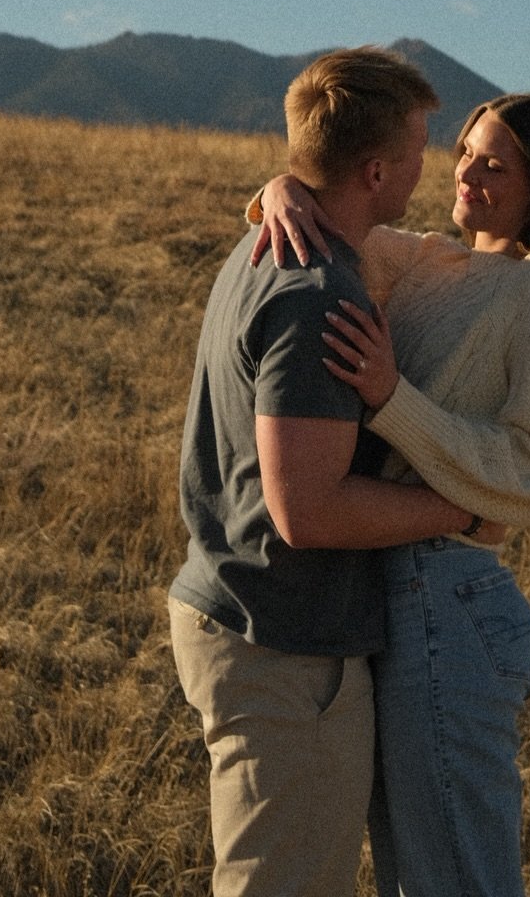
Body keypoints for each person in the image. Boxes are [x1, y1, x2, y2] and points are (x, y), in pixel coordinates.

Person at [249, 91, 530, 897]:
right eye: (466, 152)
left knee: (459, 878)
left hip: (453, 594)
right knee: (414, 877)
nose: (470, 171)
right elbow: (325, 226)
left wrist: (391, 398)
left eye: (495, 161)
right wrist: (280, 187)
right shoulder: (425, 260)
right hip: (389, 590)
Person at [168, 47, 493, 897]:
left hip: (253, 621)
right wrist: (459, 510)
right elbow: (306, 513)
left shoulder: (270, 243)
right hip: (281, 646)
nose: (433, 168)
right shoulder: (319, 293)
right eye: (422, 151)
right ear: (377, 169)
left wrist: (279, 187)